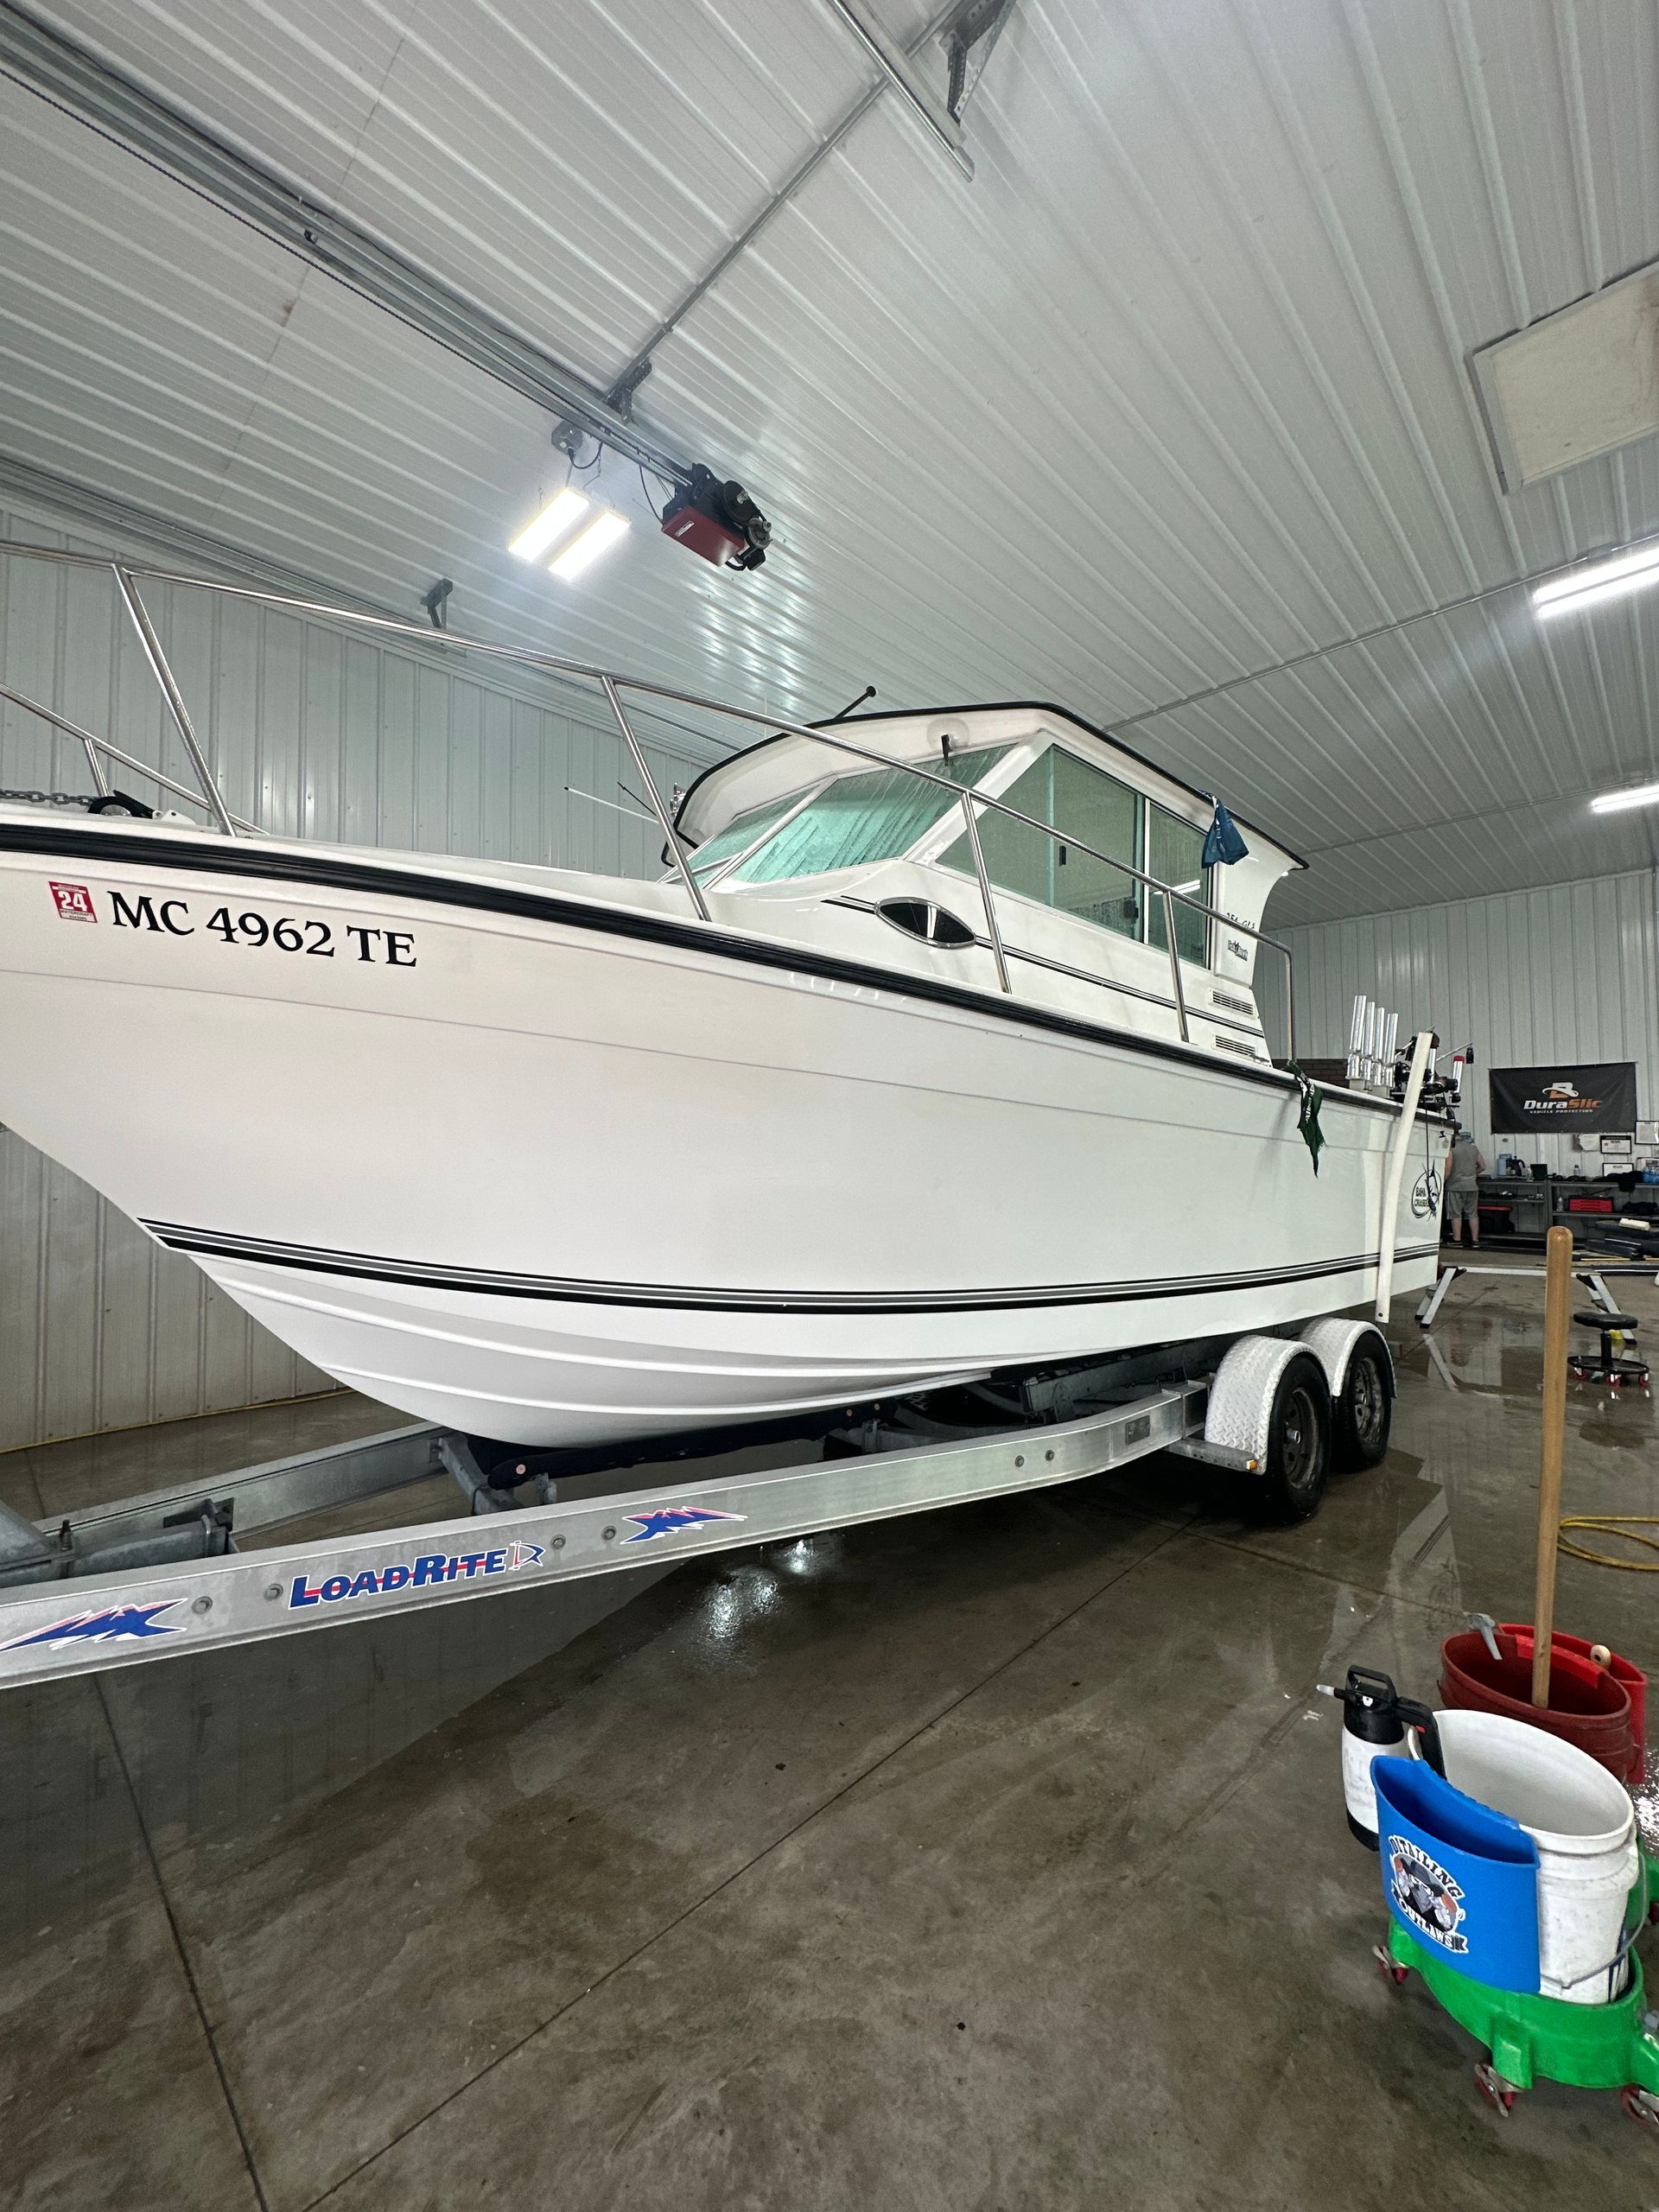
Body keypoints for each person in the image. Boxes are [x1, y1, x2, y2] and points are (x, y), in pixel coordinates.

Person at [1443, 1125, 1487, 1248]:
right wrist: (1473, 1174)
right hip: (1472, 1186)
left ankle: (1457, 1240)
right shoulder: (1473, 1148)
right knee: (1473, 1214)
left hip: (1455, 1186)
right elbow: (1483, 1166)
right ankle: (1475, 1241)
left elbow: (1448, 1167)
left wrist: (1442, 1182)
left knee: (1456, 1214)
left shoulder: (1451, 1149)